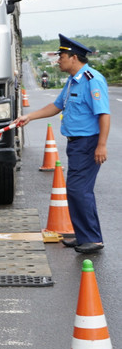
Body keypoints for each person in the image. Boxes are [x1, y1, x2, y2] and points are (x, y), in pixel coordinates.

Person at [11, 34, 110, 254]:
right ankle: (83, 235)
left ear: (74, 58)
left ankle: (92, 239)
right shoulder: (73, 81)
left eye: (61, 57)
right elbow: (56, 106)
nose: (58, 61)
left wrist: (101, 145)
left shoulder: (92, 80)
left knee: (79, 190)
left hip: (88, 143)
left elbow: (104, 114)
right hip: (76, 144)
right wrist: (29, 117)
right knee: (76, 190)